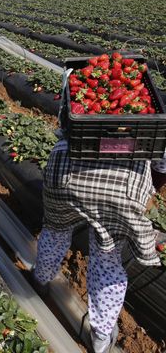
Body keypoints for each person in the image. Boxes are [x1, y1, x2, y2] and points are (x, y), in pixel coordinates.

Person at [32, 83, 160, 353]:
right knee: (106, 258)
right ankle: (101, 338)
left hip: (64, 173)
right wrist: (146, 189)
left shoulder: (77, 91)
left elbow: (63, 125)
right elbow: (162, 164)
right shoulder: (153, 116)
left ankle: (40, 281)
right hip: (120, 188)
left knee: (55, 232)